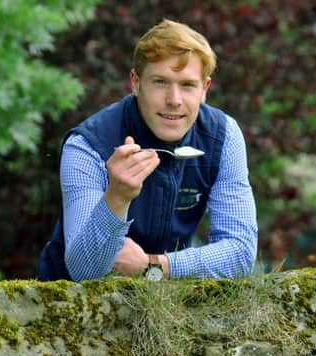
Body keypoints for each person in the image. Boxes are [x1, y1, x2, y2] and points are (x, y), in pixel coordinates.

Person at [38, 19, 257, 281]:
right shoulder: (87, 145)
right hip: (66, 307)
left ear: (204, 90)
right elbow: (84, 271)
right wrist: (116, 198)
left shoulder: (224, 136)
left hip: (165, 303)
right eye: (160, 82)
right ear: (135, 82)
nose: (174, 100)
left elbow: (241, 253)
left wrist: (154, 266)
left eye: (187, 85)